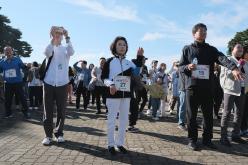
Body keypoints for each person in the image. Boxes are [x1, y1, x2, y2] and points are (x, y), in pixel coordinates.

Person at [179, 23, 242, 151]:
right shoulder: (187, 49)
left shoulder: (211, 49)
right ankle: (192, 140)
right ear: (194, 34)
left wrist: (234, 68)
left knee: (208, 116)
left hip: (207, 87)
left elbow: (222, 58)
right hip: (192, 87)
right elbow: (180, 67)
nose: (204, 33)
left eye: (205, 31)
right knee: (191, 116)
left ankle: (207, 140)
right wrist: (187, 67)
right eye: (201, 31)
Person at [101, 36, 143, 155]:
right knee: (111, 120)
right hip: (112, 95)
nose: (122, 47)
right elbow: (104, 78)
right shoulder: (109, 61)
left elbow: (136, 72)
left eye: (124, 45)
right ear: (114, 46)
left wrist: (139, 58)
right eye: (119, 44)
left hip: (126, 96)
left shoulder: (129, 63)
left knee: (124, 120)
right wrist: (111, 84)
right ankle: (110, 144)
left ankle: (119, 143)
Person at [42, 26, 74, 145]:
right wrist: (52, 40)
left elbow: (71, 52)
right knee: (48, 110)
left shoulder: (66, 48)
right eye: (56, 33)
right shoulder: (49, 46)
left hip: (62, 83)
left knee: (62, 110)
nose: (58, 35)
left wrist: (67, 36)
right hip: (49, 82)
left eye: (60, 33)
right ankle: (48, 135)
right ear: (52, 34)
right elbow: (47, 53)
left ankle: (59, 133)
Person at [220, 43, 248, 146]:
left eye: (242, 48)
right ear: (232, 50)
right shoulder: (228, 60)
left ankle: (235, 135)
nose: (241, 49)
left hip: (242, 90)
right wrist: (238, 66)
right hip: (230, 90)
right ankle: (223, 137)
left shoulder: (245, 62)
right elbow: (227, 75)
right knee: (226, 113)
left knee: (239, 113)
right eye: (238, 47)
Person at [0, 46, 30, 119]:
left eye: (9, 51)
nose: (8, 52)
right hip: (8, 83)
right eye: (6, 51)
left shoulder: (17, 59)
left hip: (18, 83)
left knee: (22, 98)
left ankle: (26, 112)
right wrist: (1, 79)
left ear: (12, 51)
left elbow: (23, 67)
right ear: (4, 52)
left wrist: (27, 66)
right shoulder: (2, 62)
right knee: (8, 99)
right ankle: (8, 113)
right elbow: (0, 71)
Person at [240, 49, 248, 136]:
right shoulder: (241, 62)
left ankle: (245, 128)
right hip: (243, 89)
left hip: (247, 88)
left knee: (246, 110)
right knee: (242, 110)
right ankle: (241, 129)